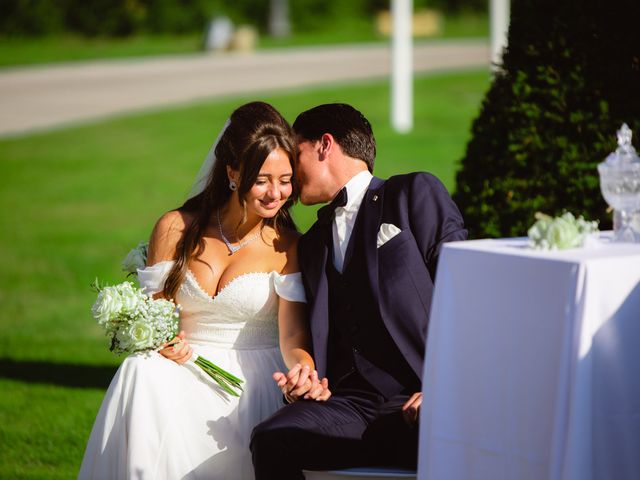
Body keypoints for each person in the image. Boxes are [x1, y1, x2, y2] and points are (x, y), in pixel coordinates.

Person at [79, 101, 330, 480]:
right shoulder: (175, 228)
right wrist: (164, 341)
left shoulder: (288, 245)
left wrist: (304, 371)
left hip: (252, 377)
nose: (275, 193)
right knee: (140, 370)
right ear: (232, 173)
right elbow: (157, 310)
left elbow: (293, 333)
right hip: (182, 367)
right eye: (262, 179)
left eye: (285, 179)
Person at [250, 103, 468, 478]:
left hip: (426, 400)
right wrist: (306, 382)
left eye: (295, 155)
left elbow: (467, 294)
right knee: (272, 437)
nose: (288, 175)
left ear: (324, 145)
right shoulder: (311, 243)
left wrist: (446, 388)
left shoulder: (412, 192)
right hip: (352, 408)